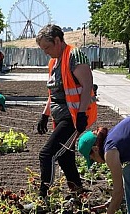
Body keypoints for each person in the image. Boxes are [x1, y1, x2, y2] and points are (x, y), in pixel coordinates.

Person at [33, 24, 97, 202]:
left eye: (47, 47)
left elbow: (87, 86)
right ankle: (78, 192)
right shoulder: (54, 61)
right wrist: (45, 115)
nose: (45, 52)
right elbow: (54, 93)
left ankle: (43, 198)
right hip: (61, 115)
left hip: (74, 117)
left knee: (47, 153)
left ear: (58, 41)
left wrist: (82, 114)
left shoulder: (74, 55)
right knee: (65, 156)